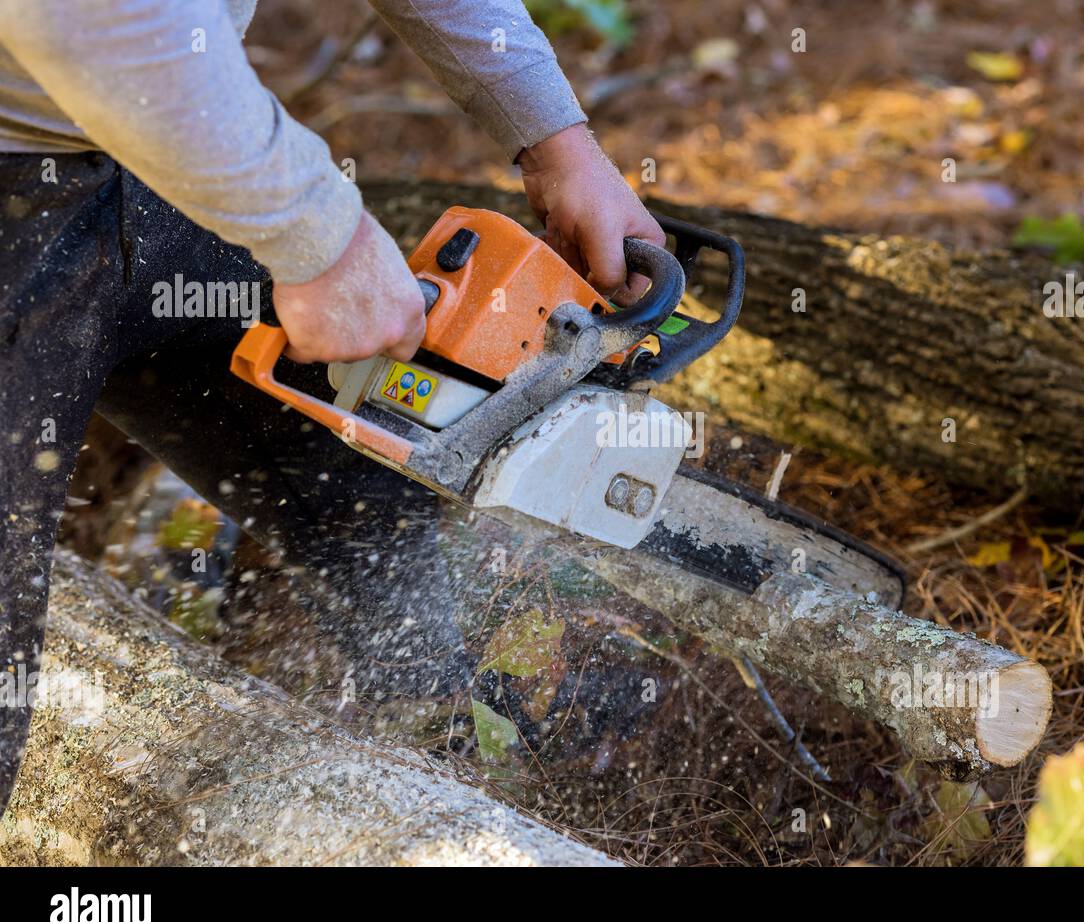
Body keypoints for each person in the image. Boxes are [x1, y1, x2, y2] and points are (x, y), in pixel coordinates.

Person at [0, 0, 665, 813]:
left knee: (372, 459)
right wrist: (321, 238)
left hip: (157, 148)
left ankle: (433, 756)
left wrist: (554, 137)